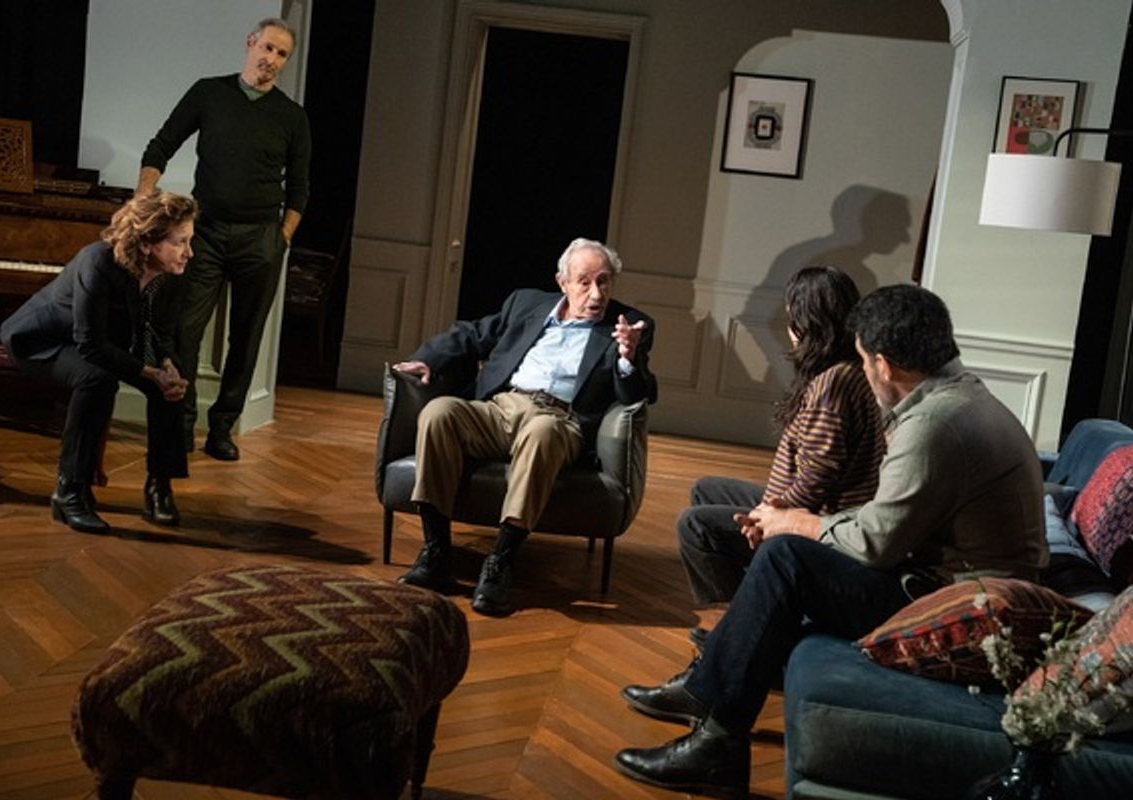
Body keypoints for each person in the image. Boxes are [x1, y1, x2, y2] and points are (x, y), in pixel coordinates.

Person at [614, 284, 1048, 798]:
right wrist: (795, 517)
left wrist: (794, 522)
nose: (862, 371)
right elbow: (886, 517)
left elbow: (875, 543)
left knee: (784, 558)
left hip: (957, 603)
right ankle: (713, 684)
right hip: (947, 579)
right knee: (777, 542)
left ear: (884, 365)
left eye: (864, 360)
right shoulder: (961, 397)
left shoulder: (933, 425)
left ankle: (717, 742)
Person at [392, 237, 657, 617]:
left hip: (559, 420)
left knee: (541, 433)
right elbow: (472, 332)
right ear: (562, 282)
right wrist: (425, 358)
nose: (596, 293)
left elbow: (637, 394)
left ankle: (500, 562)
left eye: (604, 282)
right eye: (584, 281)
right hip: (502, 407)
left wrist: (628, 357)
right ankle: (436, 553)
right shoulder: (527, 304)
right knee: (439, 412)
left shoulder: (628, 326)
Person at [677, 266, 884, 649]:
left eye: (792, 315)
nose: (787, 325)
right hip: (807, 502)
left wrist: (770, 516)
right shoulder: (844, 370)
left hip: (821, 518)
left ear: (809, 321)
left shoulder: (834, 381)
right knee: (706, 490)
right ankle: (752, 619)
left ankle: (749, 634)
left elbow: (819, 473)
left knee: (695, 526)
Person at [137, 17, 311, 461]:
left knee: (246, 338)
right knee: (185, 331)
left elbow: (300, 189)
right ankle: (181, 423)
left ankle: (222, 429)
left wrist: (281, 239)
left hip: (261, 241)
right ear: (250, 43)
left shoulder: (292, 117)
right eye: (267, 48)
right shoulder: (209, 92)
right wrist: (141, 204)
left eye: (281, 54)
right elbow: (160, 146)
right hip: (205, 234)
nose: (271, 59)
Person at [0, 192, 198, 534]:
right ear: (148, 242)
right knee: (97, 379)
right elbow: (89, 344)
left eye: (190, 240)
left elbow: (162, 331)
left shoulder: (172, 272)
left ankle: (159, 487)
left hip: (100, 344)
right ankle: (70, 491)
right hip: (42, 342)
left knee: (170, 387)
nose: (189, 252)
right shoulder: (99, 262)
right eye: (181, 242)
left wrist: (166, 366)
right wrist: (148, 371)